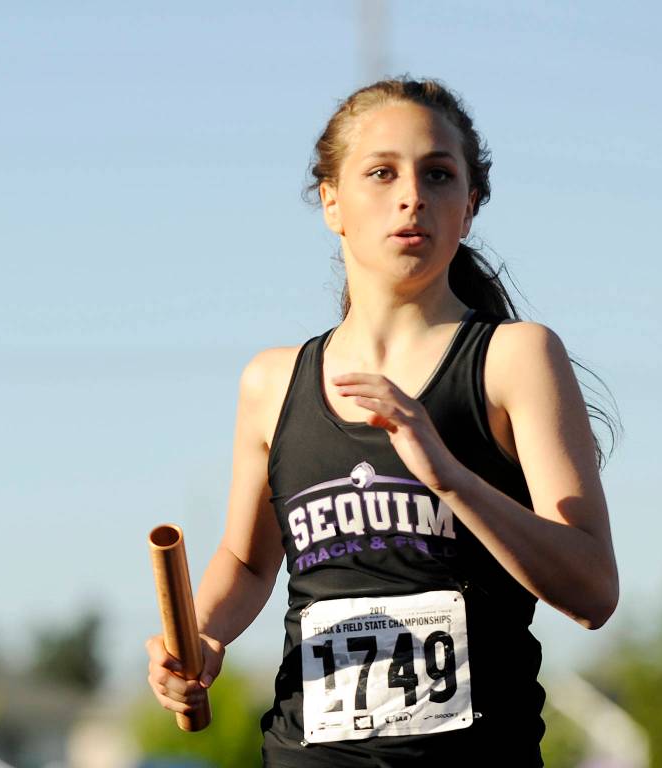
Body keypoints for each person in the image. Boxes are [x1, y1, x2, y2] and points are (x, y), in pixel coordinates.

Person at [145, 75, 620, 767]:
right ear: (331, 201)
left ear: (470, 204)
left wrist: (450, 476)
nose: (412, 196)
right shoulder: (272, 382)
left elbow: (594, 591)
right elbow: (248, 561)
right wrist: (201, 640)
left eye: (438, 174)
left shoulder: (514, 360)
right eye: (381, 172)